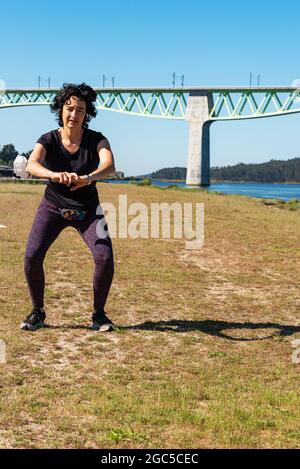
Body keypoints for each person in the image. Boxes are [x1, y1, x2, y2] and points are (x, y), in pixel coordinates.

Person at [20, 83, 115, 332]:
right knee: (31, 256)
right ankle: (37, 311)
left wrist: (89, 177)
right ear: (61, 109)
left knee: (104, 257)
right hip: (53, 206)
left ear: (87, 115)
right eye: (69, 108)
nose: (74, 114)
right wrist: (53, 174)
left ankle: (99, 315)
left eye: (80, 110)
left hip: (88, 209)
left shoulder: (97, 139)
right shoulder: (48, 139)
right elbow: (32, 165)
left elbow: (110, 166)